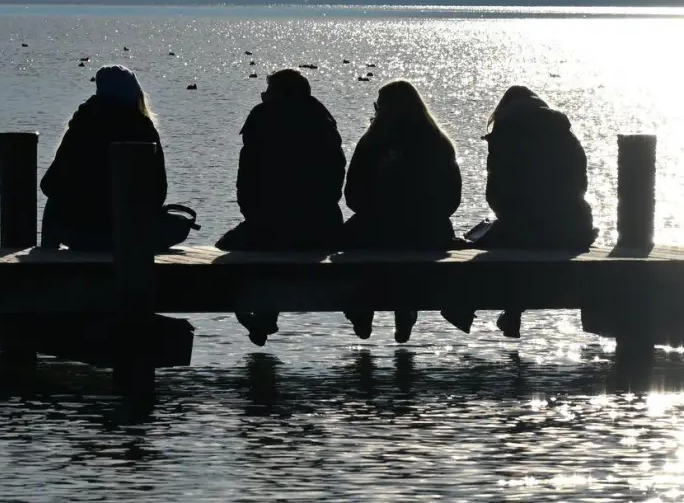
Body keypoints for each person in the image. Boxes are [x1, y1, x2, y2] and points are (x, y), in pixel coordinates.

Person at [441, 86, 595, 339]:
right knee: (522, 250)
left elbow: (496, 196)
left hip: (531, 228)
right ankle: (512, 313)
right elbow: (581, 184)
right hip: (575, 227)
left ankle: (463, 306)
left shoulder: (505, 135)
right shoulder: (566, 135)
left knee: (480, 241)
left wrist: (511, 216)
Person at [215, 69, 347, 346]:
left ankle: (261, 312)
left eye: (267, 92)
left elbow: (247, 178)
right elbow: (336, 176)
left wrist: (252, 215)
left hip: (270, 224)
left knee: (230, 247)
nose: (263, 97)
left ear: (280, 94)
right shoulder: (322, 122)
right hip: (322, 225)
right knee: (279, 245)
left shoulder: (262, 121)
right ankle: (265, 314)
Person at [340, 80, 462, 344]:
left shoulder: (371, 143)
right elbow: (453, 199)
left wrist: (377, 209)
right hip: (429, 233)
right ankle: (405, 310)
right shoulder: (440, 143)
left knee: (351, 248)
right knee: (410, 254)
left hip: (375, 231)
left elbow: (352, 196)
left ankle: (362, 308)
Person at [40, 65, 168, 250]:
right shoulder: (144, 129)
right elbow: (159, 192)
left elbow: (50, 185)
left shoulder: (82, 126)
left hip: (80, 233)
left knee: (53, 203)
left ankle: (45, 259)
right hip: (130, 234)